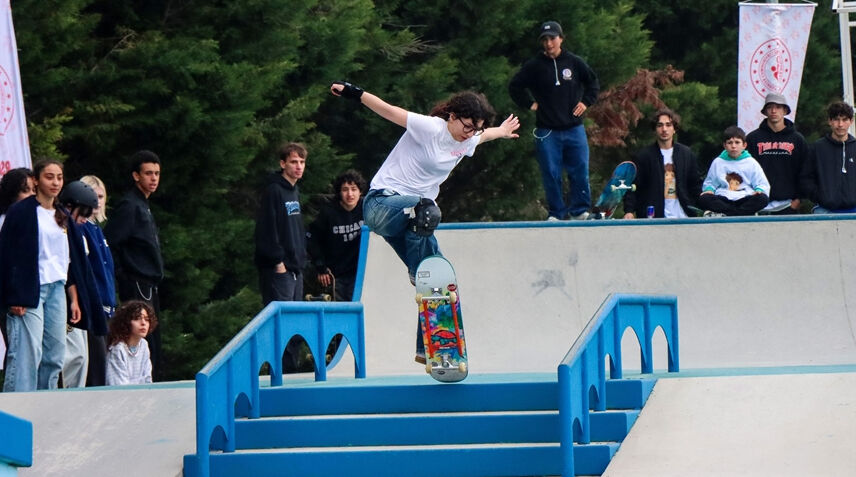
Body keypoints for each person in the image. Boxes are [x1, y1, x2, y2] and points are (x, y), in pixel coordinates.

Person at [330, 80, 519, 363]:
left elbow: (484, 136)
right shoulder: (431, 127)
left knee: (442, 281)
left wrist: (500, 131)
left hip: (406, 223)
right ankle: (418, 270)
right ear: (453, 116)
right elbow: (389, 110)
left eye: (475, 128)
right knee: (428, 210)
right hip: (382, 204)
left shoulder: (467, 141)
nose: (470, 134)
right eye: (467, 126)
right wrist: (354, 92)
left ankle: (431, 348)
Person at [0, 160, 91, 391]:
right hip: (30, 290)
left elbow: (68, 260)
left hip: (56, 289)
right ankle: (17, 410)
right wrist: (13, 295)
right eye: (49, 177)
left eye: (59, 177)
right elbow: (7, 255)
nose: (55, 182)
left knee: (56, 353)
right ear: (37, 180)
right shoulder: (20, 212)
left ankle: (45, 403)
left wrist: (74, 297)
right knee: (27, 354)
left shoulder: (62, 214)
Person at [509, 20, 600, 220]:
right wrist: (530, 104)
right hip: (547, 130)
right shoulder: (534, 66)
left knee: (579, 170)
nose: (549, 43)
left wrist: (586, 102)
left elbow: (592, 82)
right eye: (545, 40)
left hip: (574, 128)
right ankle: (557, 213)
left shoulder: (574, 62)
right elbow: (515, 87)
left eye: (552, 38)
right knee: (551, 173)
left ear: (561, 39)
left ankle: (579, 211)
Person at [104, 150, 164, 381]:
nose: (153, 178)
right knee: (139, 333)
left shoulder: (144, 205)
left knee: (151, 339)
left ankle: (149, 381)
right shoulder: (129, 206)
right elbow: (111, 243)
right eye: (148, 173)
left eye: (157, 173)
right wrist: (123, 274)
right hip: (136, 282)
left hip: (149, 283)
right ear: (136, 176)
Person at [253, 142, 309, 373]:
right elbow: (267, 229)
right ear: (282, 163)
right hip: (280, 269)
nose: (298, 167)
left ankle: (292, 369)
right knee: (280, 322)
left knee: (294, 323)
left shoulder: (293, 190)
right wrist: (278, 262)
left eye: (302, 162)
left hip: (296, 268)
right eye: (293, 162)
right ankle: (281, 372)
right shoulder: (274, 190)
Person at [58, 180, 108, 388]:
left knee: (80, 357)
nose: (85, 220)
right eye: (83, 214)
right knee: (68, 356)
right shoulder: (58, 229)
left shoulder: (78, 233)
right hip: (58, 297)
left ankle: (73, 396)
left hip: (76, 299)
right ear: (69, 208)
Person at [623, 108, 701, 218]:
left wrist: (704, 206)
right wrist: (629, 210)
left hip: (683, 217)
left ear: (674, 129)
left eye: (668, 125)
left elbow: (695, 185)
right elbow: (633, 187)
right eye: (660, 125)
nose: (664, 129)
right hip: (654, 219)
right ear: (655, 129)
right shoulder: (644, 156)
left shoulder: (686, 154)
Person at [79, 175, 116, 386]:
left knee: (105, 367)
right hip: (92, 308)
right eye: (92, 195)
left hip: (107, 306)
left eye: (101, 196)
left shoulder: (97, 230)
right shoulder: (81, 228)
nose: (97, 201)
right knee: (95, 367)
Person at [306, 169, 366, 302]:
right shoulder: (328, 212)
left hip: (359, 273)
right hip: (334, 275)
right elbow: (312, 239)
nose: (350, 194)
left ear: (360, 191)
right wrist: (321, 267)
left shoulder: (366, 208)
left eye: (353, 189)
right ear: (339, 192)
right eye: (345, 189)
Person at [746, 93, 809, 214]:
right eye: (770, 107)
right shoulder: (752, 138)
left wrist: (799, 200)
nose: (774, 111)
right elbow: (744, 170)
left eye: (778, 107)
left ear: (785, 110)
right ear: (765, 111)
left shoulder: (797, 139)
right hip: (758, 204)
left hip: (788, 205)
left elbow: (806, 171)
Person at [0, 168, 35, 371]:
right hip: (12, 297)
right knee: (18, 352)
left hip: (34, 294)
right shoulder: (6, 220)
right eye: (25, 190)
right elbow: (9, 262)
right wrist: (14, 296)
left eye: (33, 190)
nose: (31, 195)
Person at [698, 126, 770, 216]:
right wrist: (709, 189)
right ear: (724, 145)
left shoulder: (751, 162)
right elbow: (710, 182)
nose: (733, 146)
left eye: (737, 142)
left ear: (744, 145)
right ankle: (739, 213)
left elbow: (761, 183)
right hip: (723, 198)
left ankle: (730, 213)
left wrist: (759, 189)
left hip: (744, 197)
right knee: (704, 198)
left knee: (763, 199)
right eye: (730, 143)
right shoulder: (718, 162)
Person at [800, 101, 856, 213]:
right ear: (830, 121)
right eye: (836, 119)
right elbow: (805, 178)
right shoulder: (817, 148)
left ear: (851, 121)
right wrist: (821, 196)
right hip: (825, 209)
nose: (840, 124)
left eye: (844, 120)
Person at [105, 300, 156, 386]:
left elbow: (147, 379)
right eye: (137, 319)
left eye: (147, 319)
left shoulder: (143, 345)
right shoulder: (118, 349)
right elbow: (118, 386)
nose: (143, 323)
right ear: (126, 322)